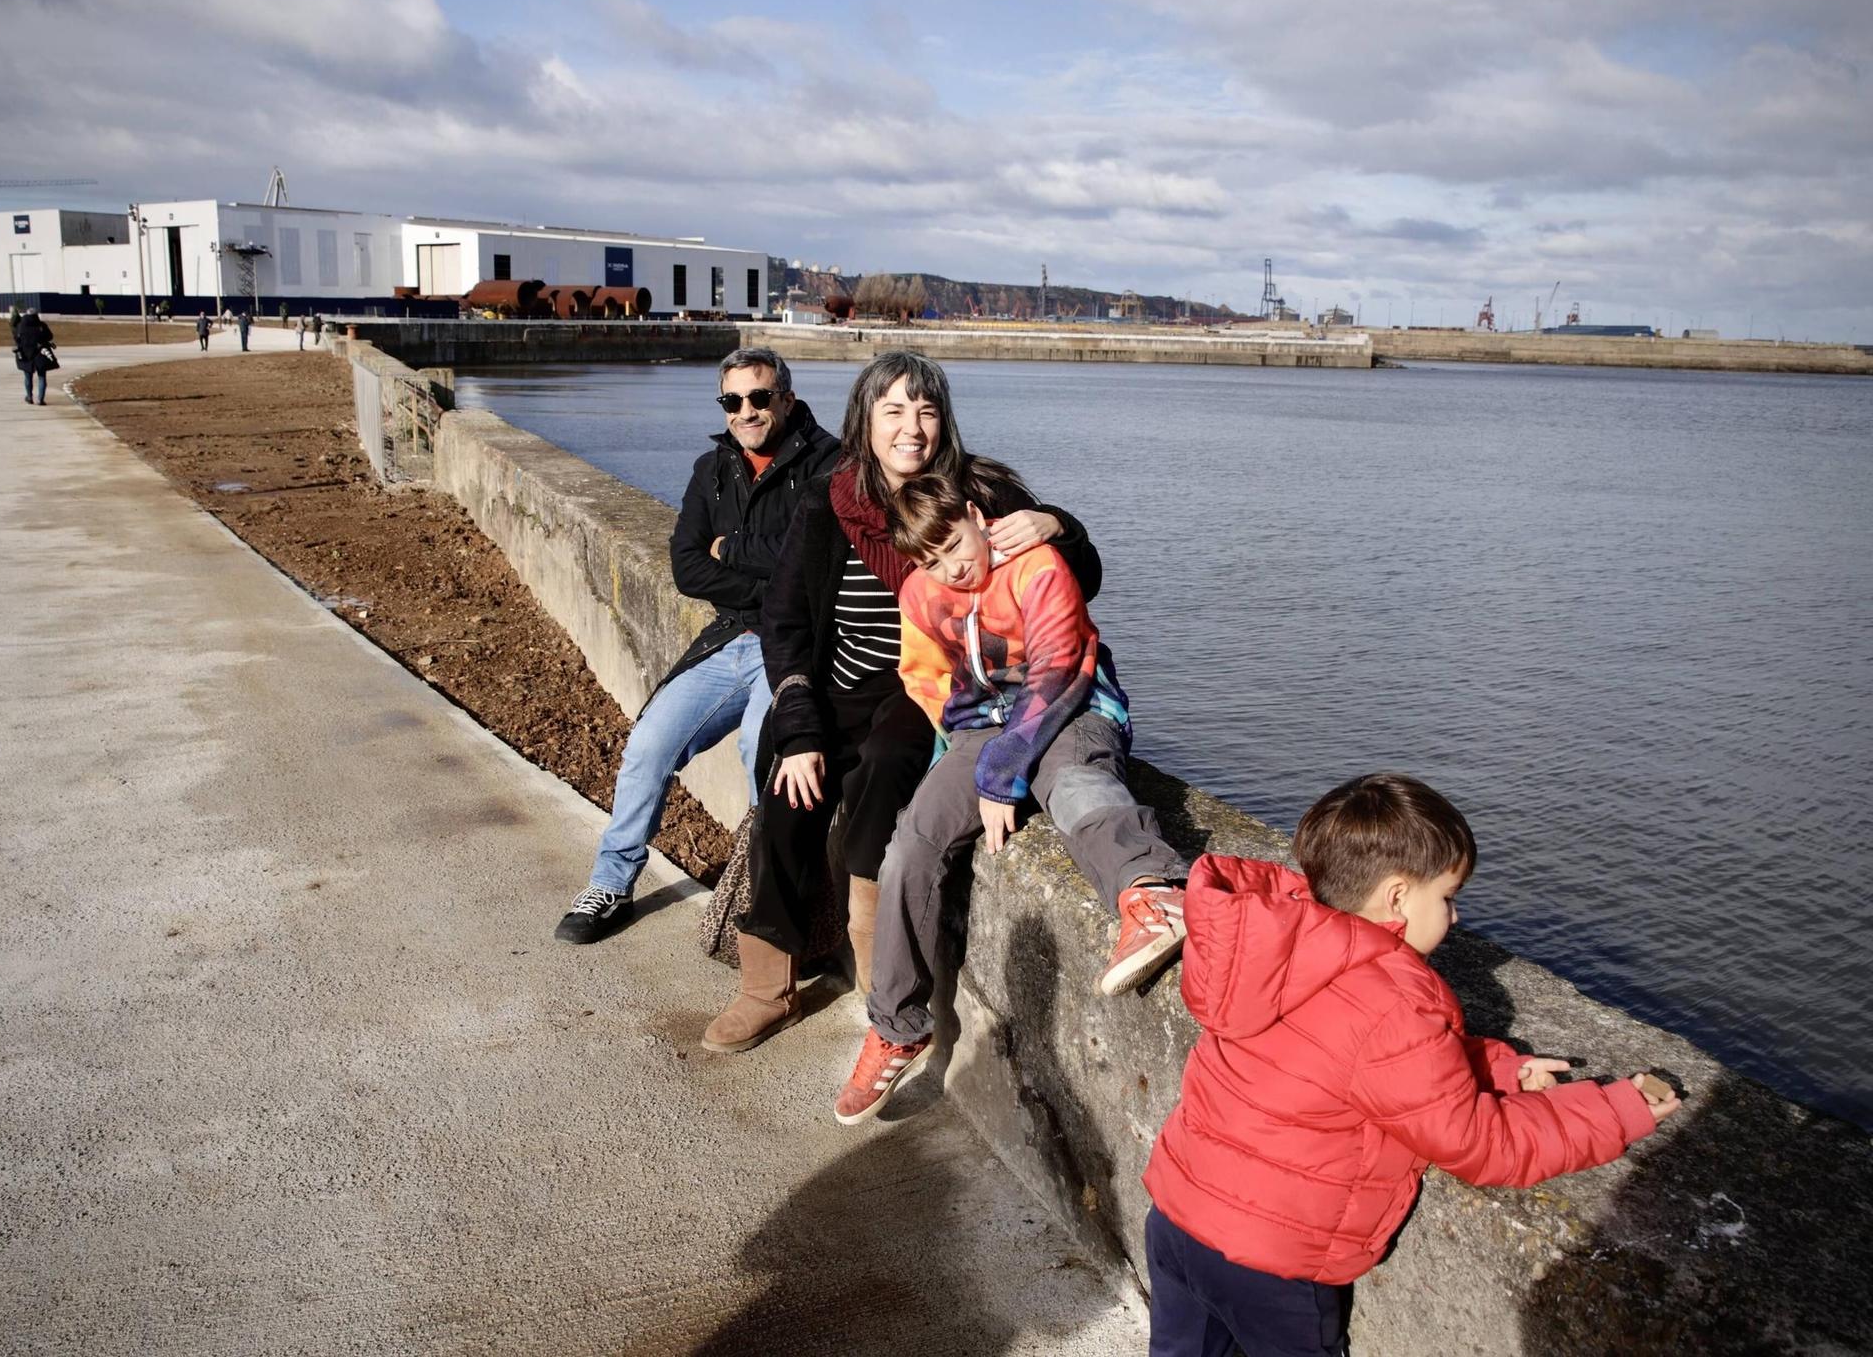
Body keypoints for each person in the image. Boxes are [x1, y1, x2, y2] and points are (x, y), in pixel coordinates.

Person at [1140, 773, 1681, 1357]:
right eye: (1448, 898)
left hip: (1177, 1219)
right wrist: (1613, 1110)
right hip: (1273, 1267)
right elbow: (1479, 1143)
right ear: (1397, 897)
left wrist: (1497, 1068)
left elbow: (1348, 1067)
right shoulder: (1393, 1000)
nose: (1455, 918)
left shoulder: (1276, 952)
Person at [704, 351, 1101, 1054]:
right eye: (893, 410)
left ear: (943, 422)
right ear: (866, 420)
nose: (910, 426)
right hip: (836, 681)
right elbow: (787, 621)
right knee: (788, 797)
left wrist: (1056, 526)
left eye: (925, 409)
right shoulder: (831, 499)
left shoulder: (980, 492)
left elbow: (1083, 581)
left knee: (886, 772)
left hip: (925, 686)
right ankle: (767, 988)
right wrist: (798, 725)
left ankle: (870, 965)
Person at [833, 474, 1192, 1124]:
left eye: (955, 543)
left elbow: (1057, 671)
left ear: (976, 515)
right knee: (909, 846)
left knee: (1073, 782)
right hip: (986, 731)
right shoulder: (921, 593)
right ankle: (896, 1025)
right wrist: (971, 765)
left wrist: (1003, 775)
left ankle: (1151, 891)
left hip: (1075, 706)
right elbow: (928, 681)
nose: (953, 565)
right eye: (933, 559)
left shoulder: (1035, 565)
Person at [552, 348, 839, 945]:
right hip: (731, 638)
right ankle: (611, 882)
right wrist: (768, 569)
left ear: (785, 397)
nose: (746, 411)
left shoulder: (831, 465)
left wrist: (730, 549)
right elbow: (686, 568)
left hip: (794, 647)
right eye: (732, 401)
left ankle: (777, 907)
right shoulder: (712, 468)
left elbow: (812, 566)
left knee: (765, 753)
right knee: (648, 744)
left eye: (759, 398)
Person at [13, 309, 55, 405]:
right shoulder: (41, 325)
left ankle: (29, 397)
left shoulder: (20, 326)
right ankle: (40, 399)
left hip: (25, 354)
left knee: (28, 377)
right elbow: (50, 336)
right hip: (40, 353)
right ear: (36, 315)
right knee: (42, 376)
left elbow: (16, 338)